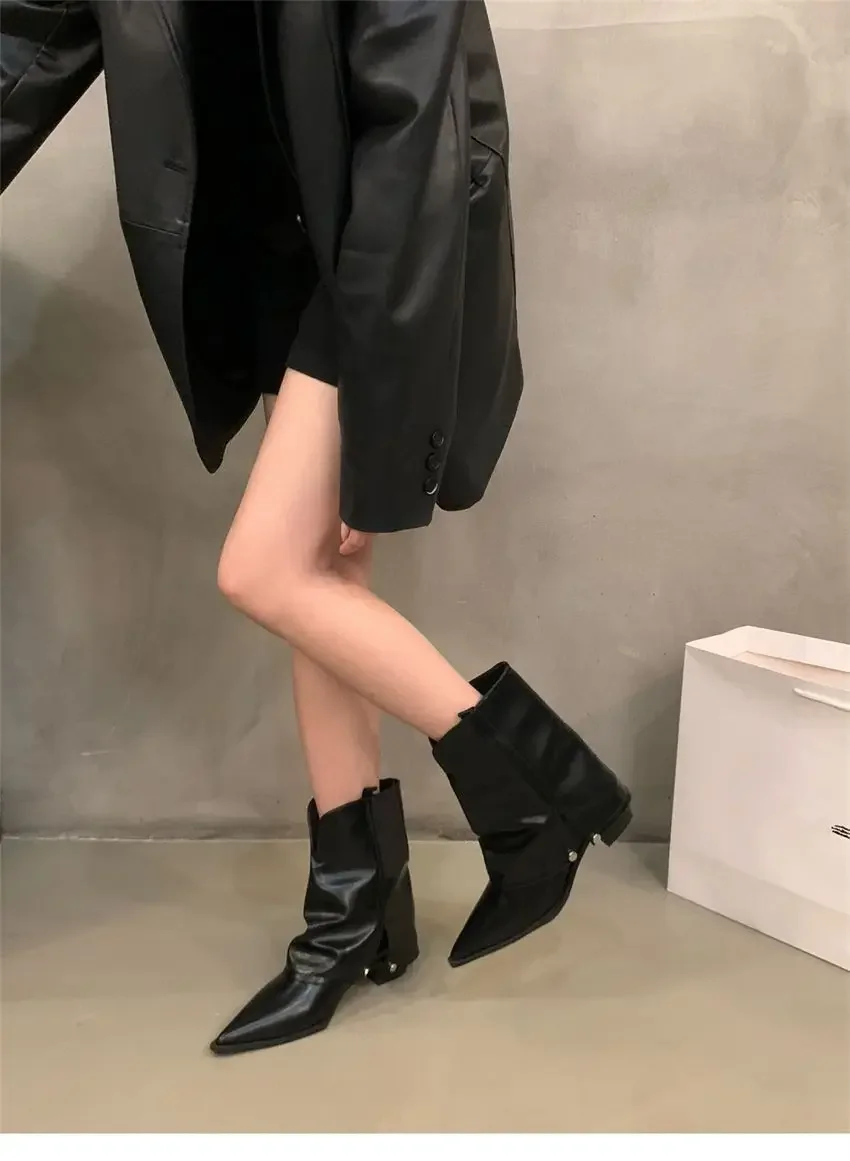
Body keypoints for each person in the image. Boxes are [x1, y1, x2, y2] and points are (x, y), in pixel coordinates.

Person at [1, 0, 632, 1055]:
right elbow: (26, 43)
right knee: (321, 578)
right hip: (266, 255)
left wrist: (381, 392)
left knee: (262, 571)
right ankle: (355, 918)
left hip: (379, 255)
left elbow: (413, 138)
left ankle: (545, 794)